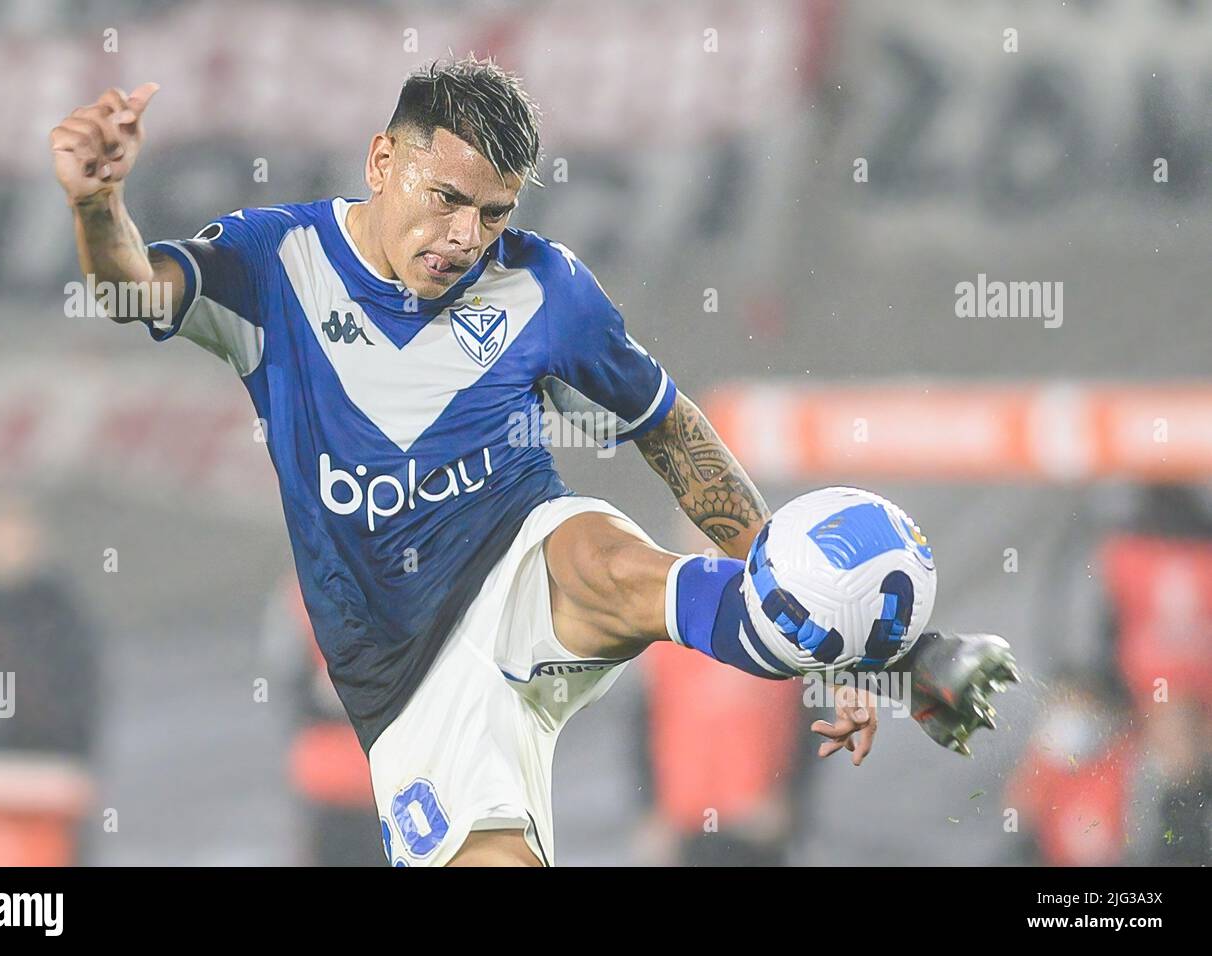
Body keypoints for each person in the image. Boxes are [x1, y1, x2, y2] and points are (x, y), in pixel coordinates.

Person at [49, 56, 1015, 866]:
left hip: (524, 559)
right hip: (411, 680)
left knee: (605, 559)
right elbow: (133, 293)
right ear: (383, 161)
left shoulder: (546, 291)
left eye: (494, 212)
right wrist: (99, 209)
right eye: (448, 200)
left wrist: (819, 634)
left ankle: (902, 655)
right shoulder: (274, 262)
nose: (466, 236)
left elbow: (671, 434)